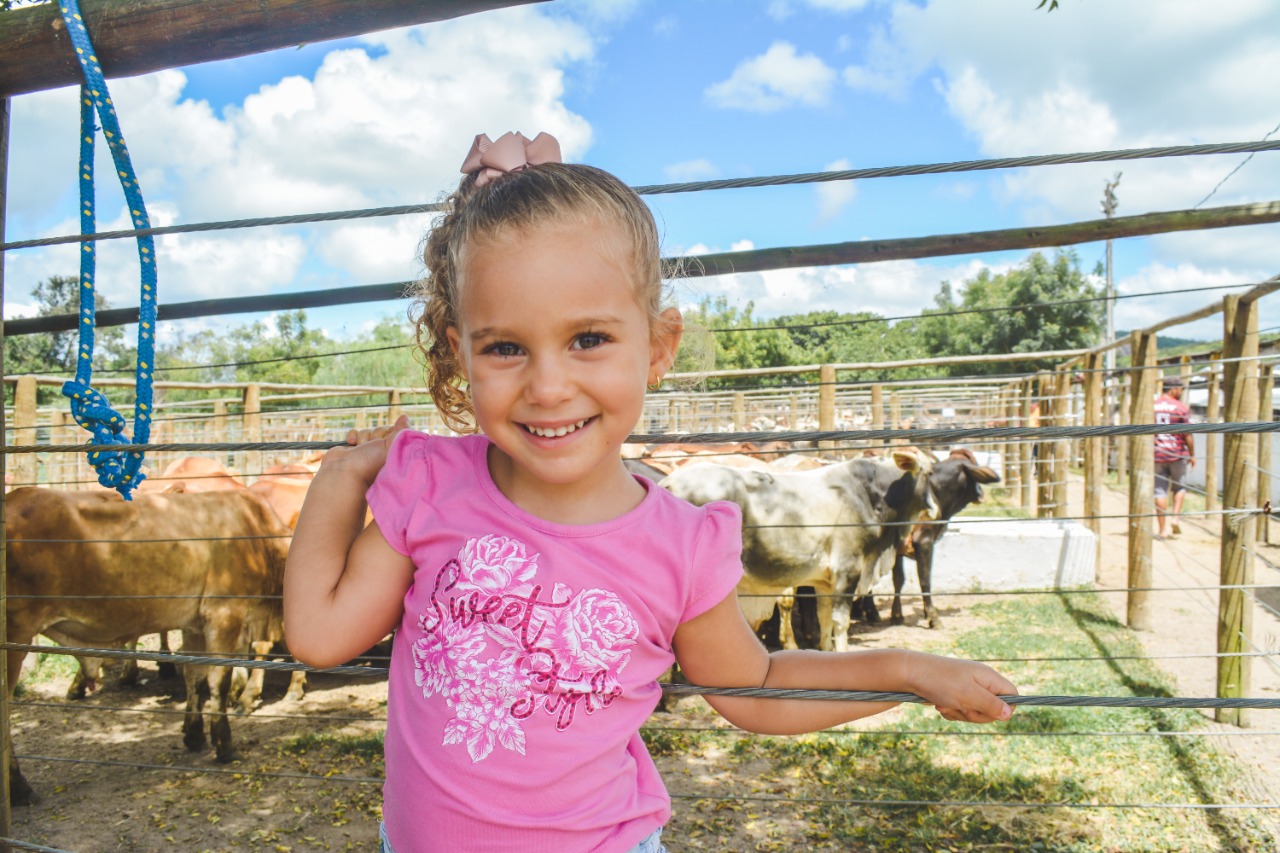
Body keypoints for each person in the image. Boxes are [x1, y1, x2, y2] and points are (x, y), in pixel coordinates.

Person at [283, 131, 1018, 853]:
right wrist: (339, 479)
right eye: (504, 346)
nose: (547, 386)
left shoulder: (680, 544)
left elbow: (754, 682)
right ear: (459, 352)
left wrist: (907, 670)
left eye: (589, 339)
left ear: (658, 345)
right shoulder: (432, 487)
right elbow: (319, 636)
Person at [1154, 375, 1195, 539]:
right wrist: (1192, 455)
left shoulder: (1152, 406)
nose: (1181, 392)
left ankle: (1162, 529)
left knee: (1159, 492)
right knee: (1179, 487)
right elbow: (1187, 434)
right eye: (1180, 389)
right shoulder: (1181, 407)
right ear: (1174, 389)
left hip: (1157, 454)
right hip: (1177, 454)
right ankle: (1175, 517)